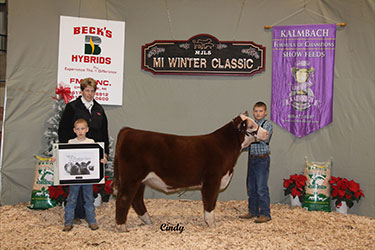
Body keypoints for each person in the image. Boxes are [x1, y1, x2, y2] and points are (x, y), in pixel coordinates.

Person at [58, 77, 109, 224]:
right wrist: (65, 152)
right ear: (81, 91)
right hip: (75, 151)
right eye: (87, 90)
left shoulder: (99, 109)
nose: (90, 94)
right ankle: (74, 215)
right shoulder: (72, 107)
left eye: (92, 91)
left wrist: (104, 152)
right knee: (75, 185)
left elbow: (104, 131)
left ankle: (87, 214)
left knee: (88, 185)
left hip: (92, 152)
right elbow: (63, 129)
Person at [59, 118, 106, 231]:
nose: (80, 131)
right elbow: (64, 157)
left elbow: (97, 157)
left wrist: (102, 159)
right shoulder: (70, 143)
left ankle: (92, 221)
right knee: (71, 199)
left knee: (89, 199)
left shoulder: (91, 142)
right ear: (74, 130)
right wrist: (56, 158)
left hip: (88, 178)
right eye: (78, 129)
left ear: (87, 130)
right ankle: (68, 222)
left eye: (82, 129)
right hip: (73, 178)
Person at [240, 101, 273, 223]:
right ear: (253, 113)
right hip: (252, 158)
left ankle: (265, 213)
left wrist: (250, 139)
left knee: (261, 187)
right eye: (256, 111)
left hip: (262, 159)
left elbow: (264, 138)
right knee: (251, 186)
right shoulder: (252, 125)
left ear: (265, 112)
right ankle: (253, 211)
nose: (258, 113)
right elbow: (248, 144)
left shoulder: (267, 125)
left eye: (260, 111)